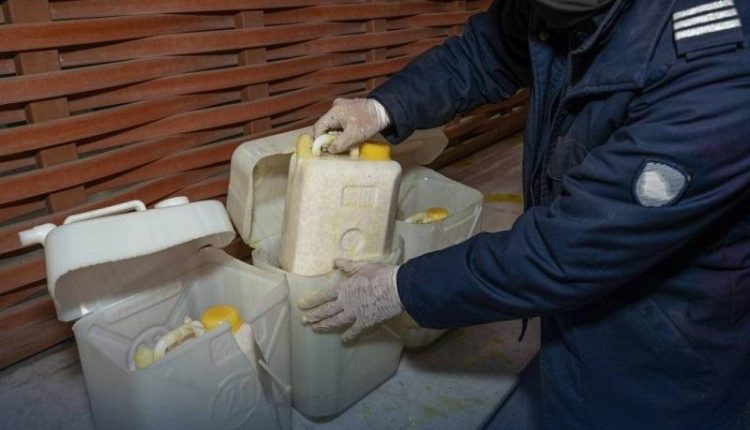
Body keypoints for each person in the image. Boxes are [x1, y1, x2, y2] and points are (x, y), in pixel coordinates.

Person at [299, 0, 750, 428]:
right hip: (575, 303)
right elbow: (485, 52)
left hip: (664, 341)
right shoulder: (557, 9)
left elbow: (568, 250)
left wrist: (402, 287)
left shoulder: (716, 65)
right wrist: (383, 107)